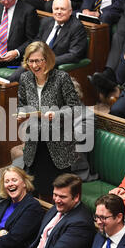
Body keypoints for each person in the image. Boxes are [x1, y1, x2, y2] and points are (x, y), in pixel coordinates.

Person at [17, 41, 82, 203]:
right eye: (31, 61)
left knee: (52, 193)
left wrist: (58, 114)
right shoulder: (25, 79)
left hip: (57, 143)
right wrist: (21, 113)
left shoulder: (61, 78)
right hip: (34, 141)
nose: (34, 65)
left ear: (48, 60)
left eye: (39, 60)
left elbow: (75, 107)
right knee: (32, 189)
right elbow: (22, 104)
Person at [15, 173, 95, 248]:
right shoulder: (56, 209)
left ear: (76, 197)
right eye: (55, 195)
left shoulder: (81, 224)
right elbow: (38, 239)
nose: (56, 200)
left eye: (62, 196)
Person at [8, 0, 88, 82]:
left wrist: (46, 61)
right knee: (13, 79)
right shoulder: (46, 22)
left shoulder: (76, 27)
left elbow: (74, 55)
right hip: (36, 63)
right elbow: (37, 42)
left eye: (63, 9)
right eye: (56, 9)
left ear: (70, 11)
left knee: (19, 79)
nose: (59, 12)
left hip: (53, 66)